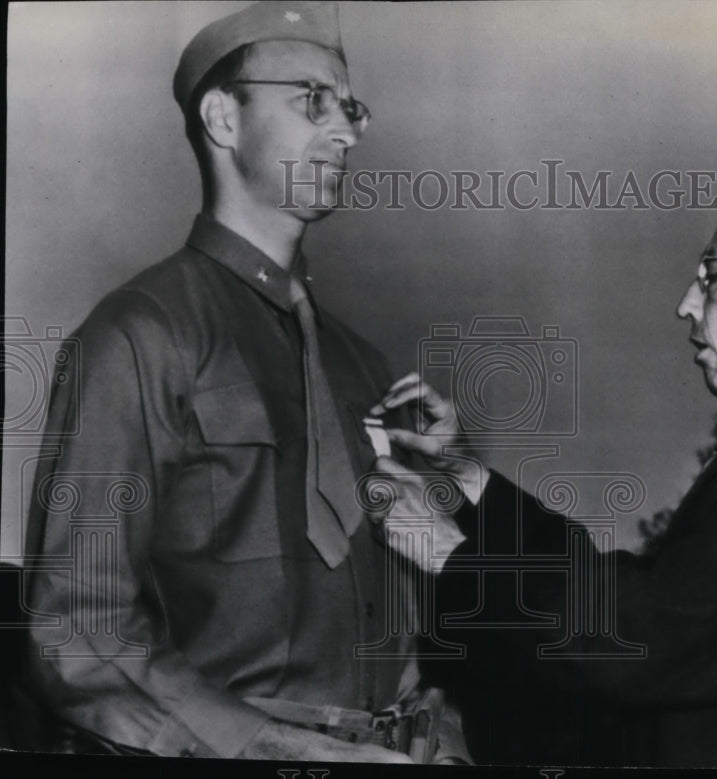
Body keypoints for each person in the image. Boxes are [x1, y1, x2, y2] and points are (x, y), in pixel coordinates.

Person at [370, 167, 717, 767]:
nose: (685, 305)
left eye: (712, 277)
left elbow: (640, 634)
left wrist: (448, 554)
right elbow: (648, 598)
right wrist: (466, 475)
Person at [23, 2, 466, 764]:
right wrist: (273, 749)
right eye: (311, 101)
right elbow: (83, 630)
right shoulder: (140, 335)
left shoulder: (360, 366)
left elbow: (402, 627)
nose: (347, 131)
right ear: (224, 118)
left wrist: (443, 742)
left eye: (351, 108)